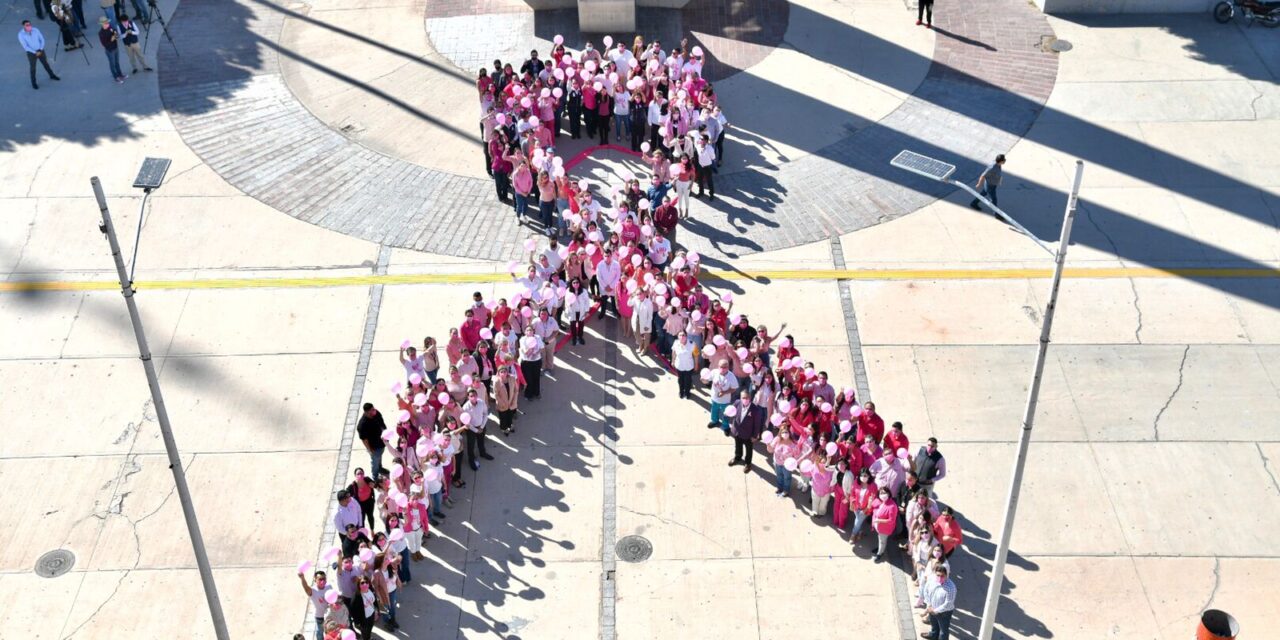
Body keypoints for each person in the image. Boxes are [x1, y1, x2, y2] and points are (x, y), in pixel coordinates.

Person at [18, 20, 60, 90]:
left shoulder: (36, 30)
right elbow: (25, 46)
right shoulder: (21, 34)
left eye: (29, 24)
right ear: (23, 26)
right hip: (31, 53)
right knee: (33, 68)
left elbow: (42, 39)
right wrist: (35, 52)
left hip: (40, 51)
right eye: (27, 25)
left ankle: (52, 75)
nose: (29, 26)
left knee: (46, 64)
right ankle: (33, 83)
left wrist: (40, 49)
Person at [728, 389, 763, 472]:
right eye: (743, 397)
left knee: (749, 449)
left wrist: (755, 436)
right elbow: (732, 412)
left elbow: (757, 424)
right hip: (737, 431)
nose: (745, 399)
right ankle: (737, 457)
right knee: (738, 446)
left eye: (747, 398)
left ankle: (748, 463)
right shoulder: (737, 403)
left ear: (750, 398)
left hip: (748, 434)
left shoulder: (755, 410)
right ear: (740, 398)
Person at [920, 565, 957, 640]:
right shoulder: (931, 581)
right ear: (935, 573)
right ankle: (933, 635)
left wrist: (935, 610)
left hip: (944, 613)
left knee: (943, 631)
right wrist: (929, 605)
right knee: (934, 625)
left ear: (947, 575)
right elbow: (926, 591)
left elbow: (948, 604)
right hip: (931, 608)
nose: (940, 578)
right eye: (938, 575)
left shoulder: (951, 588)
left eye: (942, 576)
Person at [299, 569, 332, 640]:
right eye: (320, 579)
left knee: (330, 632)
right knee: (319, 632)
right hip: (319, 616)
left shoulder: (329, 586)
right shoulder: (313, 591)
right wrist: (302, 578)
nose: (322, 581)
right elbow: (306, 588)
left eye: (324, 579)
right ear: (315, 580)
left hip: (329, 615)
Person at [707, 359, 738, 433]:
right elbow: (707, 379)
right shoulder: (714, 372)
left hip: (725, 400)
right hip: (714, 398)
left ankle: (725, 426)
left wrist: (725, 392)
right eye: (721, 367)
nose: (723, 369)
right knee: (714, 410)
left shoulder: (731, 376)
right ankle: (714, 421)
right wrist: (703, 379)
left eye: (725, 367)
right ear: (718, 366)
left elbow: (734, 388)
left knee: (726, 413)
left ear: (728, 367)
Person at [356, 403, 387, 477]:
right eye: (372, 410)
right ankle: (375, 476)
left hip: (382, 442)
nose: (374, 411)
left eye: (373, 409)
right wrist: (370, 450)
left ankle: (380, 468)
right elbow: (364, 440)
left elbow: (382, 424)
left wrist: (386, 434)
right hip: (374, 447)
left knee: (380, 456)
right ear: (366, 412)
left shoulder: (376, 413)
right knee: (375, 462)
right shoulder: (362, 425)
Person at [870, 486, 899, 562]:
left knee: (882, 541)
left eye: (884, 493)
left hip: (884, 529)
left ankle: (880, 553)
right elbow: (872, 506)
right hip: (878, 526)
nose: (882, 495)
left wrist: (879, 520)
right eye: (880, 493)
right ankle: (880, 548)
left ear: (889, 494)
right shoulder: (880, 501)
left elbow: (891, 520)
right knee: (880, 539)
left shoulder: (892, 506)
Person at [518, 326, 544, 400]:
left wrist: (536, 353)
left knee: (536, 377)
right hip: (526, 362)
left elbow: (542, 348)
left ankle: (537, 393)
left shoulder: (537, 337)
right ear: (525, 332)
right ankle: (528, 394)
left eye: (531, 330)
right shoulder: (522, 339)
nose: (529, 331)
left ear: (533, 331)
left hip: (537, 361)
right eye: (527, 330)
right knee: (528, 379)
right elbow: (525, 352)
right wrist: (531, 347)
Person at [97, 16, 125, 83]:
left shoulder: (110, 28)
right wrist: (111, 40)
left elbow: (116, 34)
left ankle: (120, 75)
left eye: (107, 22)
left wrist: (116, 34)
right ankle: (116, 77)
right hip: (110, 50)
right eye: (105, 23)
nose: (107, 24)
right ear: (102, 24)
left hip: (115, 48)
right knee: (112, 64)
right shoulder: (101, 33)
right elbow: (104, 44)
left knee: (117, 63)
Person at [493, 366, 519, 436]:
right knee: (503, 417)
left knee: (510, 415)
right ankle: (504, 428)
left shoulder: (512, 378)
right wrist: (502, 403)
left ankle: (510, 425)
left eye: (505, 372)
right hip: (502, 404)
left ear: (507, 372)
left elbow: (516, 390)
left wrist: (514, 400)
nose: (503, 373)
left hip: (511, 402)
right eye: (501, 372)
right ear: (498, 373)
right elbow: (496, 394)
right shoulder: (497, 382)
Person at [671, 330, 696, 399]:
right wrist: (673, 361)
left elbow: (696, 355)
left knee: (688, 380)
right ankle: (681, 392)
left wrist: (696, 364)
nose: (682, 337)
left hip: (689, 366)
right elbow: (674, 352)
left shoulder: (692, 343)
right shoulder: (675, 343)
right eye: (680, 335)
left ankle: (687, 392)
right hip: (679, 366)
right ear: (678, 336)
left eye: (683, 335)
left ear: (686, 336)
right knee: (680, 380)